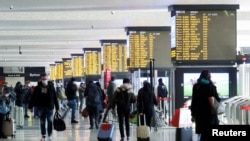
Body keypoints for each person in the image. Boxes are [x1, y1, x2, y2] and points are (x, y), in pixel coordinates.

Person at [190, 70, 221, 141]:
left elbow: (194, 101)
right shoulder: (212, 86)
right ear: (209, 76)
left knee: (203, 132)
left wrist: (193, 114)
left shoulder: (196, 87)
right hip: (210, 113)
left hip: (200, 113)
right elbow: (217, 99)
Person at [28, 73, 59, 141]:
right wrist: (30, 107)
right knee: (42, 122)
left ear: (47, 79)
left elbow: (55, 97)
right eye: (43, 79)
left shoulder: (51, 87)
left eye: (45, 79)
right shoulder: (38, 88)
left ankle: (50, 134)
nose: (44, 80)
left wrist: (57, 107)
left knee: (50, 121)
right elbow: (33, 97)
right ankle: (43, 135)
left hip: (50, 107)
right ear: (41, 79)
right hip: (41, 107)